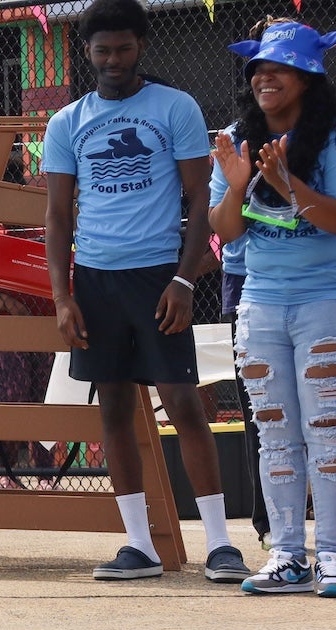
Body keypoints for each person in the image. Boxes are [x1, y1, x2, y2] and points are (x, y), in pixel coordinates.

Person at [43, 0, 248, 584]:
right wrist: (63, 296)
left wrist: (184, 280)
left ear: (141, 48)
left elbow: (199, 202)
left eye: (124, 49)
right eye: (103, 50)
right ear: (88, 52)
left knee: (183, 402)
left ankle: (218, 545)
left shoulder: (174, 107)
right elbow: (57, 217)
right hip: (96, 281)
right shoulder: (68, 123)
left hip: (160, 275)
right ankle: (139, 546)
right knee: (113, 409)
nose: (113, 60)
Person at [210, 19, 336, 598]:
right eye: (258, 69)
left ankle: (331, 556)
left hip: (332, 299)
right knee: (275, 432)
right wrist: (236, 186)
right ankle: (285, 555)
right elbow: (225, 234)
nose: (264, 78)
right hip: (261, 301)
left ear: (308, 77)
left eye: (278, 68)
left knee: (327, 429)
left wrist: (286, 182)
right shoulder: (236, 138)